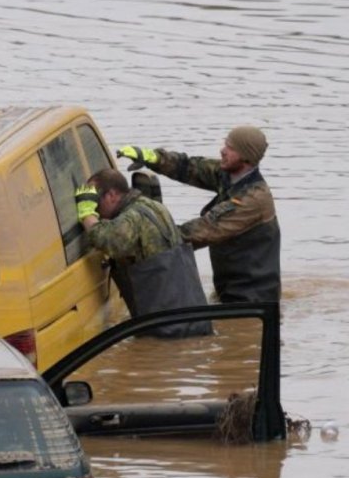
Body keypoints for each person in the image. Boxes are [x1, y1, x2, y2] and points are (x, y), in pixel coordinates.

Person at [117, 125, 280, 303]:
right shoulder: (230, 175)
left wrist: (140, 239)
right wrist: (153, 157)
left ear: (246, 157)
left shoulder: (253, 200)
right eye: (226, 144)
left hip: (252, 299)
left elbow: (200, 232)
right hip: (229, 290)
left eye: (231, 148)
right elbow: (189, 167)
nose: (223, 150)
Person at [76, 168, 211, 337]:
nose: (95, 208)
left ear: (111, 195)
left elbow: (109, 241)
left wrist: (86, 214)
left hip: (169, 327)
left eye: (95, 200)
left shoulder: (133, 217)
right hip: (193, 316)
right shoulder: (154, 206)